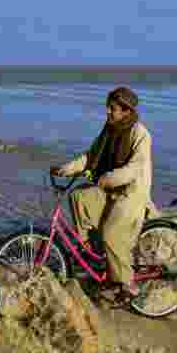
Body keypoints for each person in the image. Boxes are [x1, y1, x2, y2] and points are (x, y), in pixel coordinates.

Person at [50, 87, 153, 300]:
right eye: (108, 107)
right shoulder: (110, 129)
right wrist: (66, 168)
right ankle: (93, 253)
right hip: (110, 188)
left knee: (111, 234)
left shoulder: (140, 134)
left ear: (126, 111)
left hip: (130, 193)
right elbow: (91, 156)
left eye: (112, 108)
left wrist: (107, 178)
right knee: (79, 197)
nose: (107, 111)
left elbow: (134, 169)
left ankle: (126, 283)